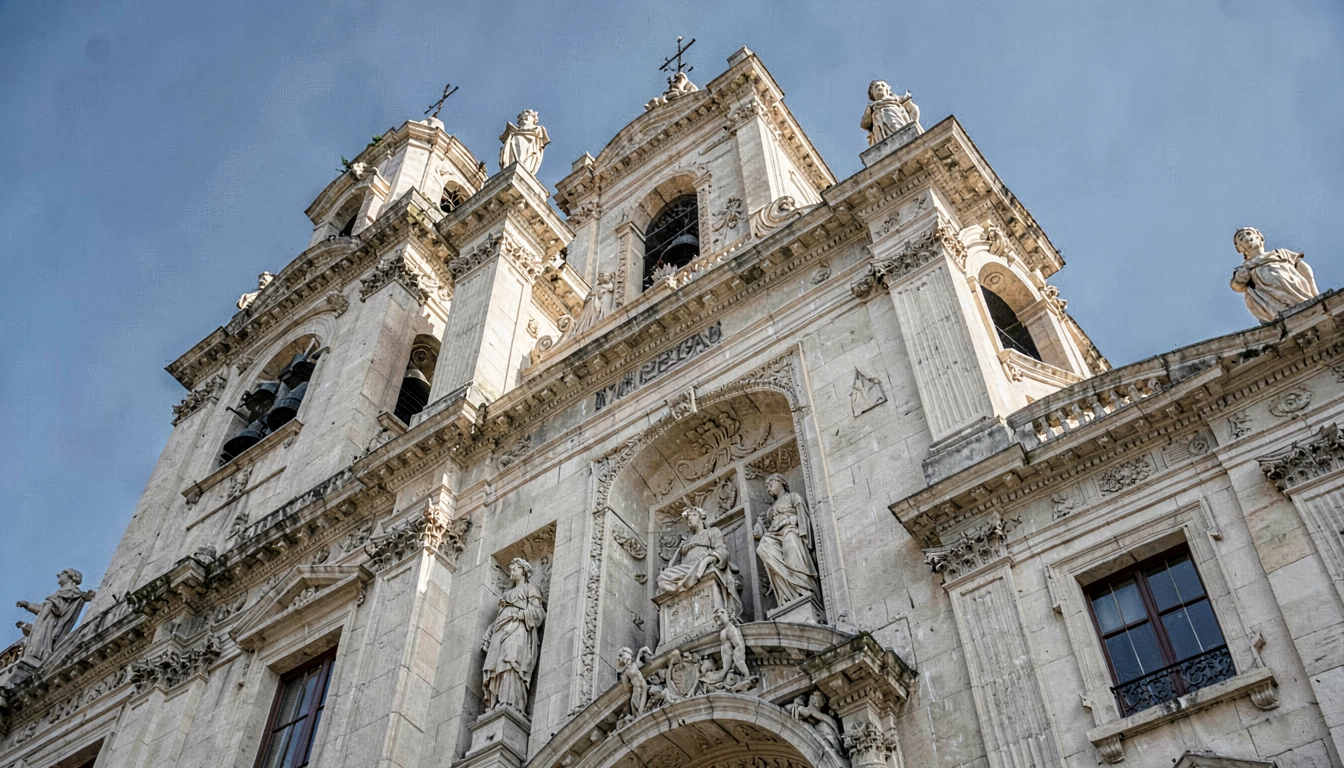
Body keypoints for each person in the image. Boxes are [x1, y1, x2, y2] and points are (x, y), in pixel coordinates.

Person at [480, 558, 546, 712]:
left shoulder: (531, 589)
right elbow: (499, 617)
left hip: (518, 628)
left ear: (523, 571)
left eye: (515, 568)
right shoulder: (507, 594)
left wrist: (523, 615)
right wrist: (488, 634)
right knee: (495, 664)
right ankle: (494, 704)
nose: (512, 571)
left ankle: (511, 703)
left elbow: (539, 612)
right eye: (511, 569)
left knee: (511, 660)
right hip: (500, 630)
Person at [1230, 227, 1319, 323]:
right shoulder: (1244, 269)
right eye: (1240, 237)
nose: (1245, 236)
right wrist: (1239, 280)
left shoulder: (1280, 253)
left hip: (1294, 290)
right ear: (1240, 248)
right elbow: (1237, 286)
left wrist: (1314, 294)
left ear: (1260, 237)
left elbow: (1304, 268)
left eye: (1248, 233)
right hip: (1269, 301)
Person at [754, 474, 818, 606]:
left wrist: (791, 521)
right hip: (775, 535)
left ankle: (801, 588)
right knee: (763, 547)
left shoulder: (793, 497)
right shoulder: (770, 510)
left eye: (771, 483)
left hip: (790, 532)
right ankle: (786, 594)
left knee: (790, 545)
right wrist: (760, 525)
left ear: (781, 482)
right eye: (766, 486)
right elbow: (769, 530)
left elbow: (802, 518)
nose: (768, 487)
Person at [16, 568, 95, 666]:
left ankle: (38, 660)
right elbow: (41, 609)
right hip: (42, 626)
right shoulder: (58, 595)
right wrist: (27, 604)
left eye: (62, 573)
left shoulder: (74, 594)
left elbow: (59, 611)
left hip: (51, 628)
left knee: (39, 649)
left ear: (71, 577)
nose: (58, 575)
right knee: (34, 648)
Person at [860, 80, 919, 147]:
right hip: (879, 132)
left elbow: (913, 109)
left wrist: (913, 123)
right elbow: (864, 124)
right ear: (872, 93)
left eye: (883, 85)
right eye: (876, 86)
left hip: (896, 120)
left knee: (898, 132)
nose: (880, 87)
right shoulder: (872, 108)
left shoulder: (896, 99)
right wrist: (868, 111)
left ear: (888, 90)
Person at [498, 110, 550, 175]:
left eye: (529, 115)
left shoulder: (538, 129)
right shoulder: (513, 132)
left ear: (534, 119)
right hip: (514, 148)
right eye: (522, 116)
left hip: (529, 149)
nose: (524, 117)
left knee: (525, 164)